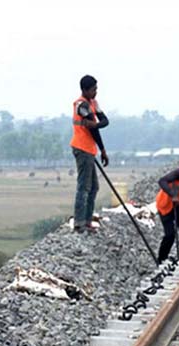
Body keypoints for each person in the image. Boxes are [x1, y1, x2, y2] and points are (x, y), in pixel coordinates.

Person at [70, 75, 109, 233]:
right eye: (93, 89)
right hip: (82, 148)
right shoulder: (81, 105)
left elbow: (104, 122)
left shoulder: (94, 103)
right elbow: (93, 129)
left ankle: (87, 221)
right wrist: (96, 125)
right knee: (84, 187)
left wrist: (102, 149)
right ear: (85, 90)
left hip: (90, 149)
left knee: (93, 187)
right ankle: (80, 223)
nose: (96, 92)